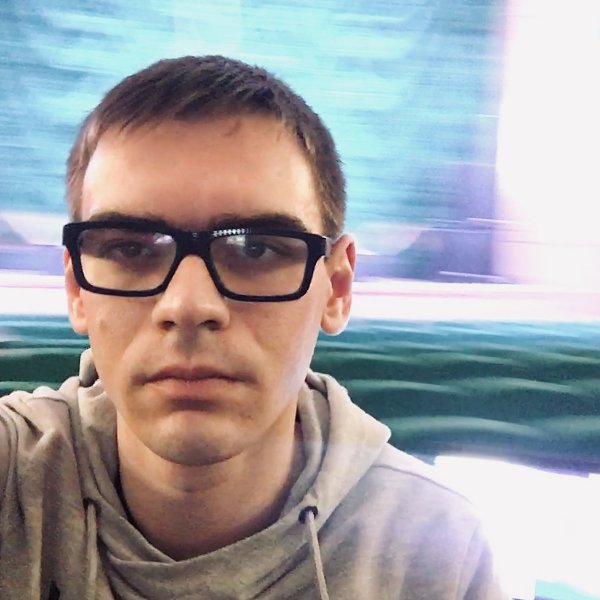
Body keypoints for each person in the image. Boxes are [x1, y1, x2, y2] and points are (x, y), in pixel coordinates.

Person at [0, 55, 507, 599]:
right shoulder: (12, 477)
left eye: (255, 249)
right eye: (130, 249)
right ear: (77, 289)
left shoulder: (440, 554)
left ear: (336, 288)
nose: (188, 305)